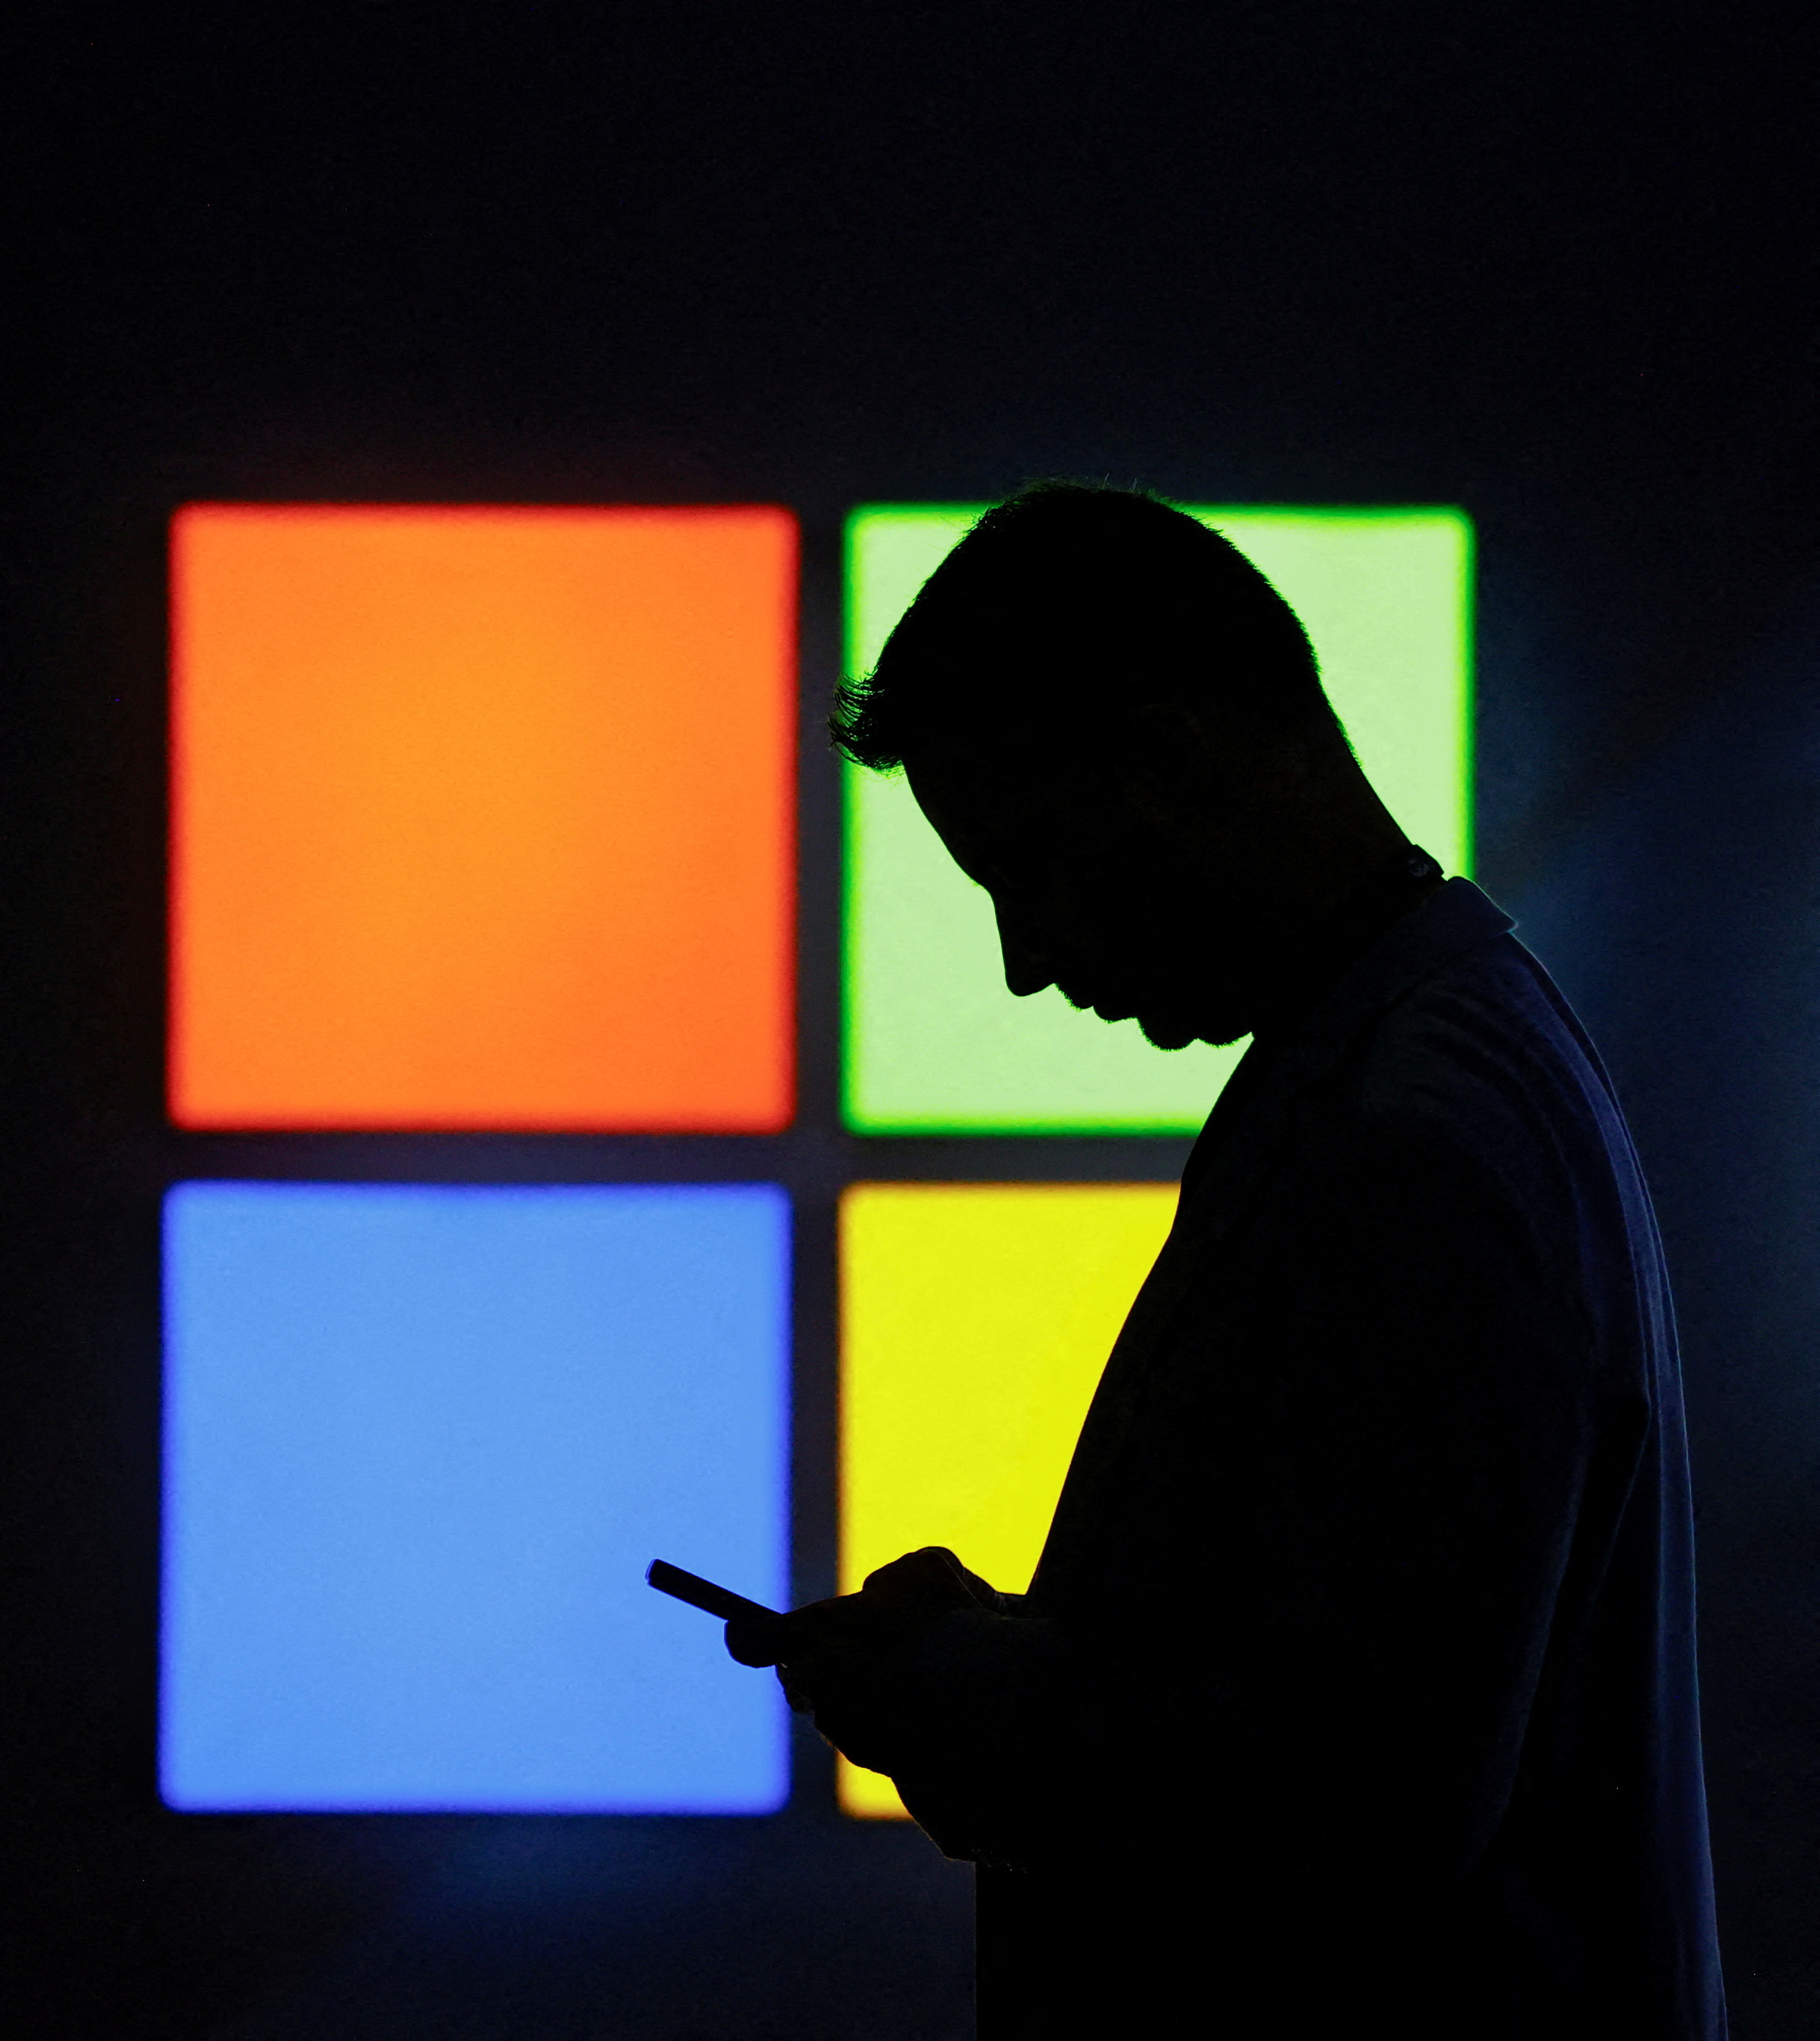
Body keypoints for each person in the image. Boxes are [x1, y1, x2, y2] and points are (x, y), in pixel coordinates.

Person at [728, 485, 1725, 2037]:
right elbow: (1354, 1694)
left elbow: (1363, 1804)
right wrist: (1010, 1662)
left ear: (1170, 765)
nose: (1026, 962)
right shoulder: (1456, 1057)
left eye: (1030, 870)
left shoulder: (1405, 1138)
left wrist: (961, 1693)